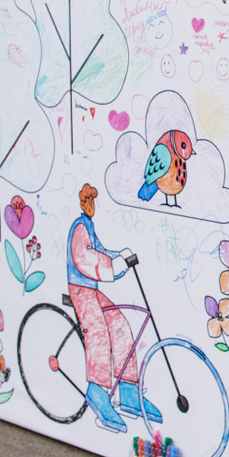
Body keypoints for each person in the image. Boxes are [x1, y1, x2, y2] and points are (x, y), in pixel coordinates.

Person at [66, 183, 157, 433]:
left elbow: (100, 251)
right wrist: (112, 266)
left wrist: (120, 256)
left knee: (119, 324)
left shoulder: (89, 226)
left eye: (92, 202)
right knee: (98, 332)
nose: (91, 206)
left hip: (91, 288)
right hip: (80, 288)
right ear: (82, 203)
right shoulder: (79, 227)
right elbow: (85, 258)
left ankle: (128, 390)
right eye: (88, 201)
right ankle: (97, 391)